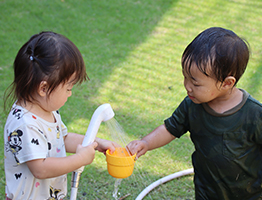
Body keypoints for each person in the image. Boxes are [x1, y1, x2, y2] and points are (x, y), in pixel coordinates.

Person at [126, 27, 262, 199]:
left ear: (227, 83)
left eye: (196, 84)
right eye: (185, 77)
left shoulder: (254, 114)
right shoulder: (191, 105)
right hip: (206, 190)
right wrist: (145, 142)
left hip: (248, 194)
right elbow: (170, 129)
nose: (187, 86)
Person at [4, 31, 119, 200]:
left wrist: (95, 143)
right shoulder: (25, 124)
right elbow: (40, 168)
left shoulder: (47, 110)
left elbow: (62, 139)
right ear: (43, 88)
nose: (70, 94)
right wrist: (79, 159)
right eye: (68, 88)